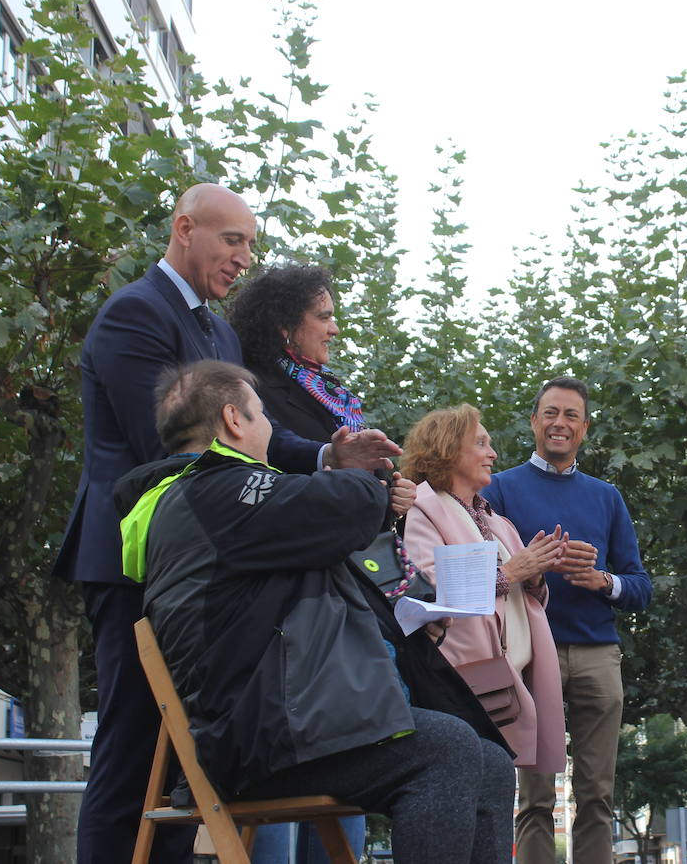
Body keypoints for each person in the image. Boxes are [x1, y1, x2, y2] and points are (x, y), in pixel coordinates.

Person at [53, 184, 401, 864]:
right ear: (185, 228)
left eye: (251, 243)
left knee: (188, 766)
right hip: (136, 565)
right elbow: (177, 448)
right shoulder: (133, 315)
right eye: (233, 240)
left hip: (204, 572)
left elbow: (246, 438)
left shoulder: (216, 331)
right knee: (131, 755)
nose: (245, 258)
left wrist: (328, 455)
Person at [117, 360, 514, 864]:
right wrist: (363, 480)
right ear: (234, 419)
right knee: (449, 749)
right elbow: (338, 507)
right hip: (260, 735)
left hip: (280, 720)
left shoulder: (206, 501)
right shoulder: (214, 491)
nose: (269, 430)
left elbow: (331, 536)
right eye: (263, 415)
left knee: (493, 762)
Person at [226, 264, 418, 862]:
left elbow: (351, 489)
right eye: (325, 315)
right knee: (301, 759)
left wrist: (392, 499)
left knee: (351, 761)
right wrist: (356, 483)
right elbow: (283, 485)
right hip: (297, 606)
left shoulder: (328, 392)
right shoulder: (256, 395)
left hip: (355, 591)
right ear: (286, 327)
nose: (335, 327)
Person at [482, 377, 652, 864]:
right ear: (534, 421)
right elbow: (482, 572)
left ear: (585, 428)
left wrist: (601, 580)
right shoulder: (498, 489)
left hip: (599, 653)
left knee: (597, 792)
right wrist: (534, 562)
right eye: (551, 413)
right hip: (531, 652)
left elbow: (640, 587)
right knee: (534, 796)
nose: (560, 423)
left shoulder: (606, 497)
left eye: (571, 415)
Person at [402, 404, 568, 774]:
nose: (493, 454)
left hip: (506, 680)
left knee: (492, 790)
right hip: (461, 685)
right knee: (468, 788)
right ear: (447, 448)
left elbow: (530, 600)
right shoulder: (422, 509)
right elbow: (429, 592)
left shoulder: (496, 520)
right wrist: (512, 570)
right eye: (480, 443)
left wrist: (537, 574)